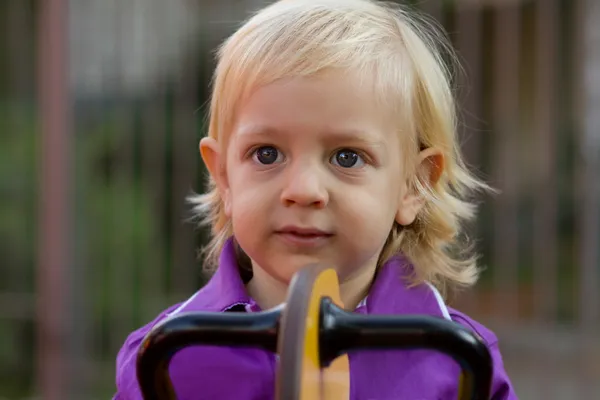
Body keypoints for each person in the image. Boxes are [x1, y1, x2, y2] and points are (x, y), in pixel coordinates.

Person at [113, 0, 518, 398]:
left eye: (347, 157)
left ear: (414, 184)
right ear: (224, 177)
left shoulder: (454, 359)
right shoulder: (167, 356)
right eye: (266, 153)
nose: (303, 190)